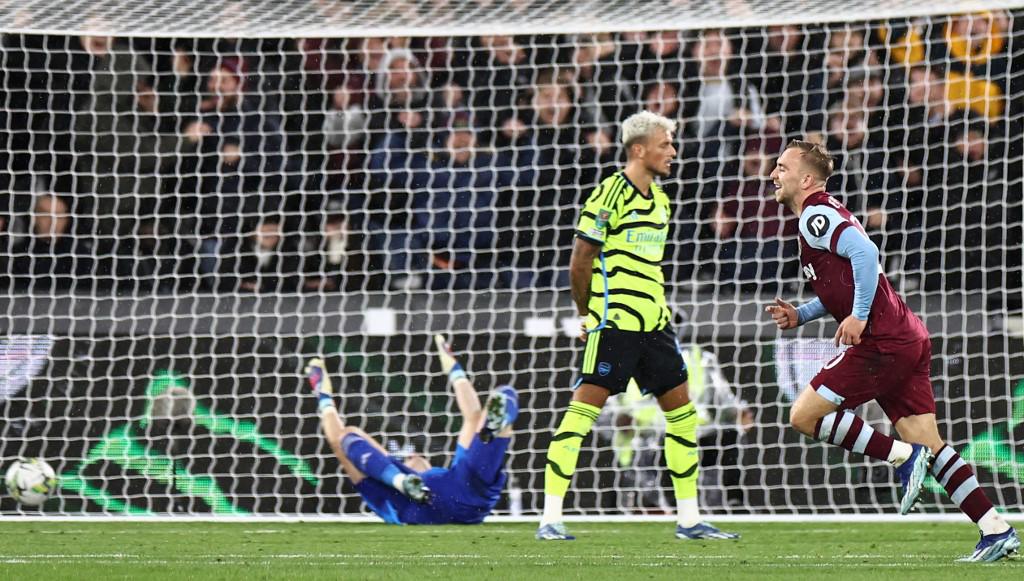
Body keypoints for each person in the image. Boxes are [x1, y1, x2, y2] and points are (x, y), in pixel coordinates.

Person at [764, 140, 1020, 563]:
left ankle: (903, 457)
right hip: (907, 336)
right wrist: (803, 314)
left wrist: (860, 317)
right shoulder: (825, 214)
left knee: (803, 415)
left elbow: (867, 255)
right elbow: (843, 285)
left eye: (781, 167)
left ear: (806, 179)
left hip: (881, 341)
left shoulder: (814, 216)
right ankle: (995, 529)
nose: (773, 174)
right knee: (932, 444)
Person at [536, 111, 738, 541]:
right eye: (665, 144)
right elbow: (580, 260)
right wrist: (587, 313)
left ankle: (688, 520)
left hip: (657, 326)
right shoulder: (609, 194)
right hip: (616, 324)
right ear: (639, 149)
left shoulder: (661, 201)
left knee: (683, 419)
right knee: (581, 415)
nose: (672, 152)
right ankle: (550, 517)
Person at [305, 335, 517, 524]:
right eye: (407, 459)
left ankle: (494, 423)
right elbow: (338, 441)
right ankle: (496, 425)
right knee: (347, 438)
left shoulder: (443, 475)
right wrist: (324, 398)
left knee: (499, 399)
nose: (414, 455)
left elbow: (472, 417)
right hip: (429, 504)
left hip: (445, 493)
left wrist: (454, 370)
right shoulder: (383, 481)